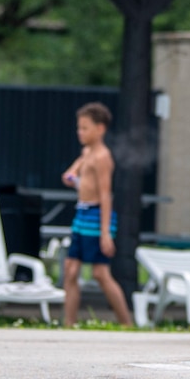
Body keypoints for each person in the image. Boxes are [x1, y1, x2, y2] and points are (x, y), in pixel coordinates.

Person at [60, 102, 132, 327]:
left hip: (96, 216)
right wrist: (74, 178)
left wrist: (105, 234)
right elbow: (70, 174)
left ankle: (127, 324)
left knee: (100, 273)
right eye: (78, 128)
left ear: (100, 129)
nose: (80, 132)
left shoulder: (103, 157)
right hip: (81, 215)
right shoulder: (87, 152)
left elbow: (105, 195)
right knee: (70, 269)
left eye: (85, 128)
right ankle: (68, 324)